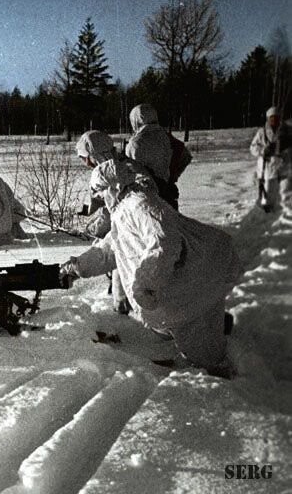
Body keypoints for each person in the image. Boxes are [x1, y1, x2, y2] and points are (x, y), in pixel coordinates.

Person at [60, 160, 241, 377]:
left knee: (205, 356)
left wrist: (146, 284)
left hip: (193, 278)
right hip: (187, 280)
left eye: (100, 192)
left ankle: (229, 384)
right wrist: (78, 267)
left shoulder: (141, 204)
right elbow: (109, 250)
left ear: (114, 187)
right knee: (179, 324)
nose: (99, 198)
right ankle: (217, 328)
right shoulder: (124, 209)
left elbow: (165, 241)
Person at [75, 130, 157, 314]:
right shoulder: (120, 169)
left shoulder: (118, 174)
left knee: (134, 297)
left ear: (94, 155)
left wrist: (93, 230)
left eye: (85, 158)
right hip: (137, 236)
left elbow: (118, 214)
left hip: (138, 239)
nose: (85, 163)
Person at [125, 103, 192, 210]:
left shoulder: (135, 142)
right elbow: (185, 156)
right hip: (168, 193)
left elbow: (131, 172)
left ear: (135, 120)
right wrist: (172, 176)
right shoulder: (166, 136)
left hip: (146, 197)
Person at [250, 106, 292, 212]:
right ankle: (265, 214)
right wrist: (263, 150)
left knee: (284, 192)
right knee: (267, 192)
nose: (274, 120)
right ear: (268, 119)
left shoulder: (285, 132)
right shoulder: (262, 132)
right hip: (266, 168)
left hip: (282, 167)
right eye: (272, 118)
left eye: (276, 118)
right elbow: (252, 148)